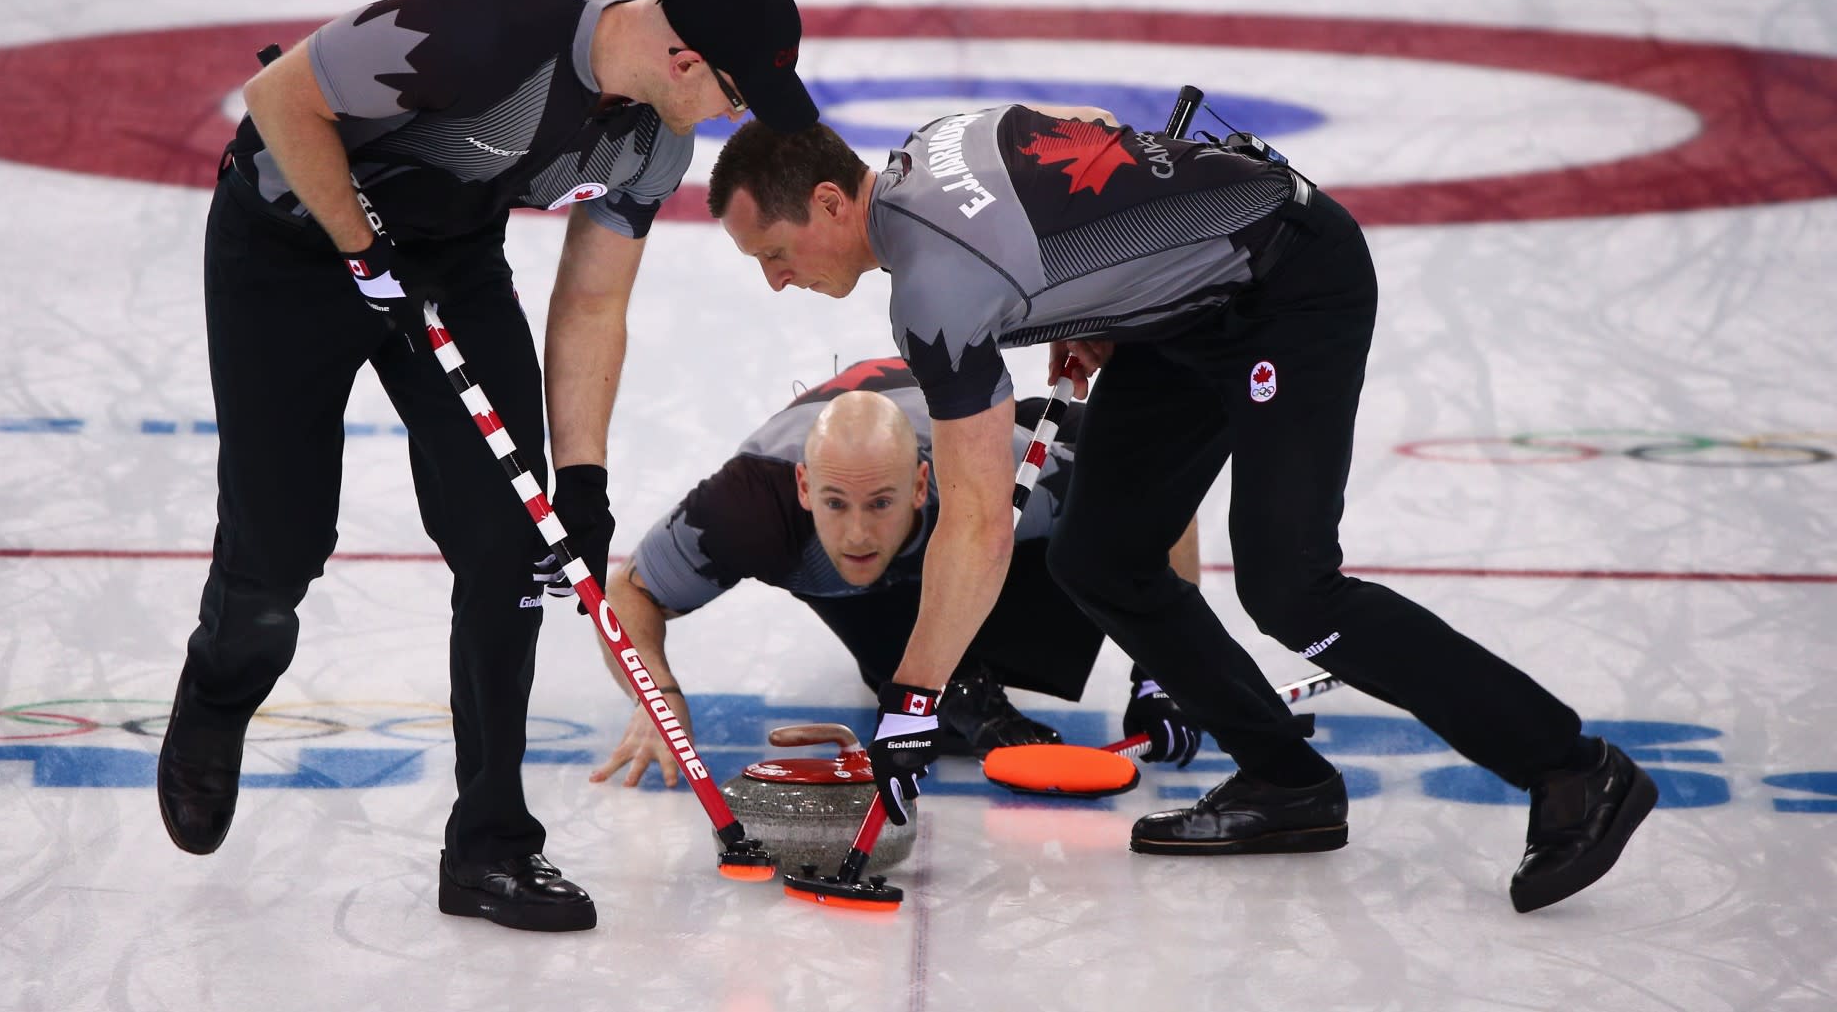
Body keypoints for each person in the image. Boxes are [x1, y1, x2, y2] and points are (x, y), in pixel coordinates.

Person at [703, 104, 1658, 914]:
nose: (776, 280)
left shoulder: (935, 294)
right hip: (1179, 313)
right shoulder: (939, 139)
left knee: (1294, 592)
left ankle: (1572, 770)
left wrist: (911, 702)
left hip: (1289, 287)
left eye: (776, 252)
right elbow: (1103, 147)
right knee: (1099, 558)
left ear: (832, 202)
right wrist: (1094, 305)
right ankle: (1289, 783)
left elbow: (978, 526)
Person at [156, 0, 817, 934]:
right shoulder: (486, 27)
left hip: (447, 262)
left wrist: (582, 486)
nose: (729, 114)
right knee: (278, 553)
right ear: (685, 59)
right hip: (292, 238)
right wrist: (356, 243)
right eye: (731, 91)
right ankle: (217, 692)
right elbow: (280, 96)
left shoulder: (653, 147)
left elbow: (593, 301)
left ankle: (491, 846)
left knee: (514, 541)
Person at [585, 357, 1204, 788]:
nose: (856, 531)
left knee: (1093, 546)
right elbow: (628, 593)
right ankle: (954, 683)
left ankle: (956, 662)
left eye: (880, 502)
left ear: (920, 484)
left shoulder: (1005, 472)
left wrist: (1165, 675)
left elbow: (1160, 484)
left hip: (978, 509)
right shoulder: (748, 508)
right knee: (862, 586)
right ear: (803, 486)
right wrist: (658, 701)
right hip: (860, 569)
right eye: (835, 503)